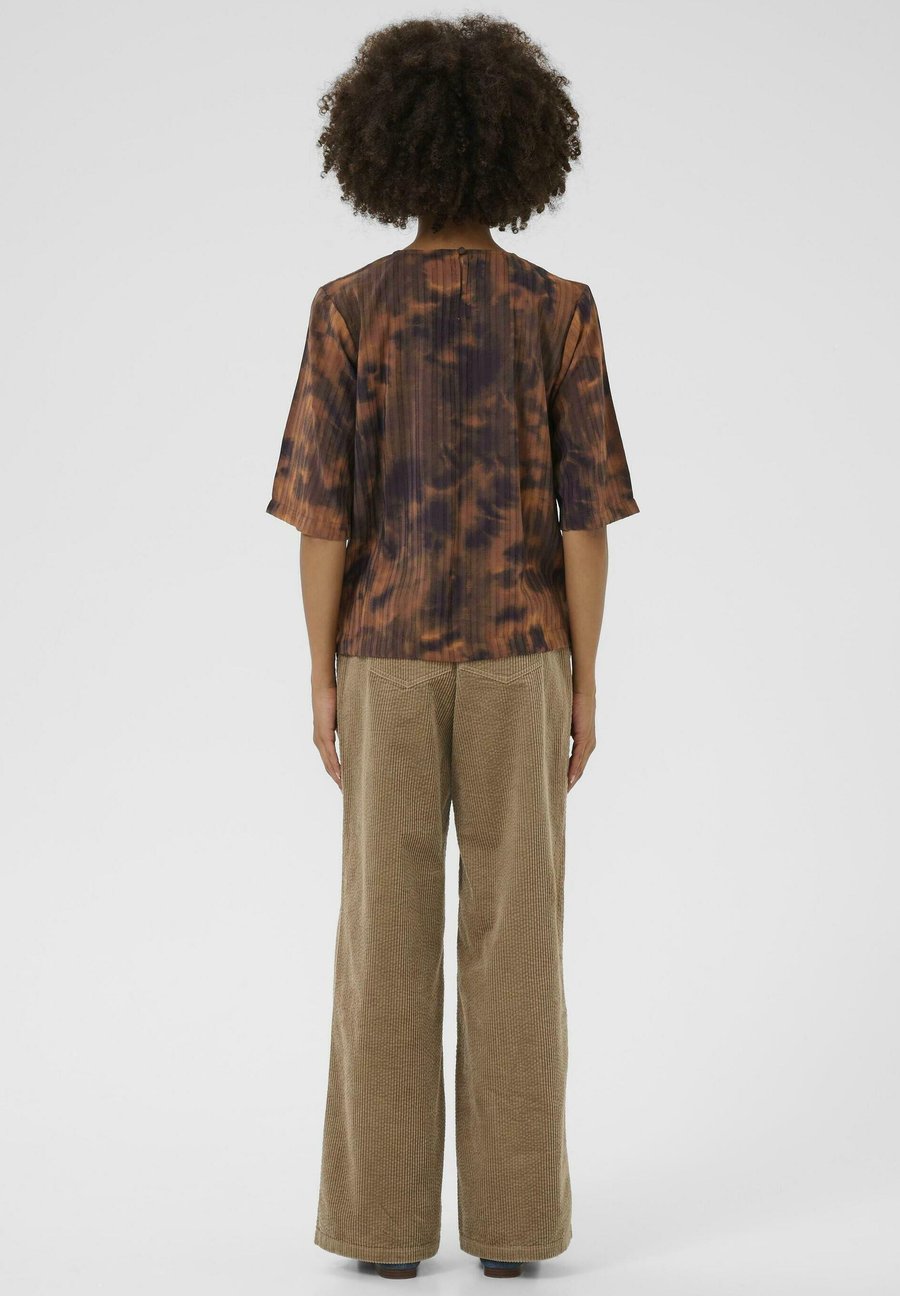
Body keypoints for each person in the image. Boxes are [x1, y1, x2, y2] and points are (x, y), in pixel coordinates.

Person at [265, 14, 639, 1281]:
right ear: (520, 151)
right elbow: (585, 521)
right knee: (517, 937)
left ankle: (381, 1232)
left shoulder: (347, 312)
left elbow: (322, 518)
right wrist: (587, 677)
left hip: (381, 652)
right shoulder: (558, 312)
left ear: (386, 151)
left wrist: (320, 674)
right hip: (525, 655)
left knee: (382, 936)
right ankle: (517, 1231)